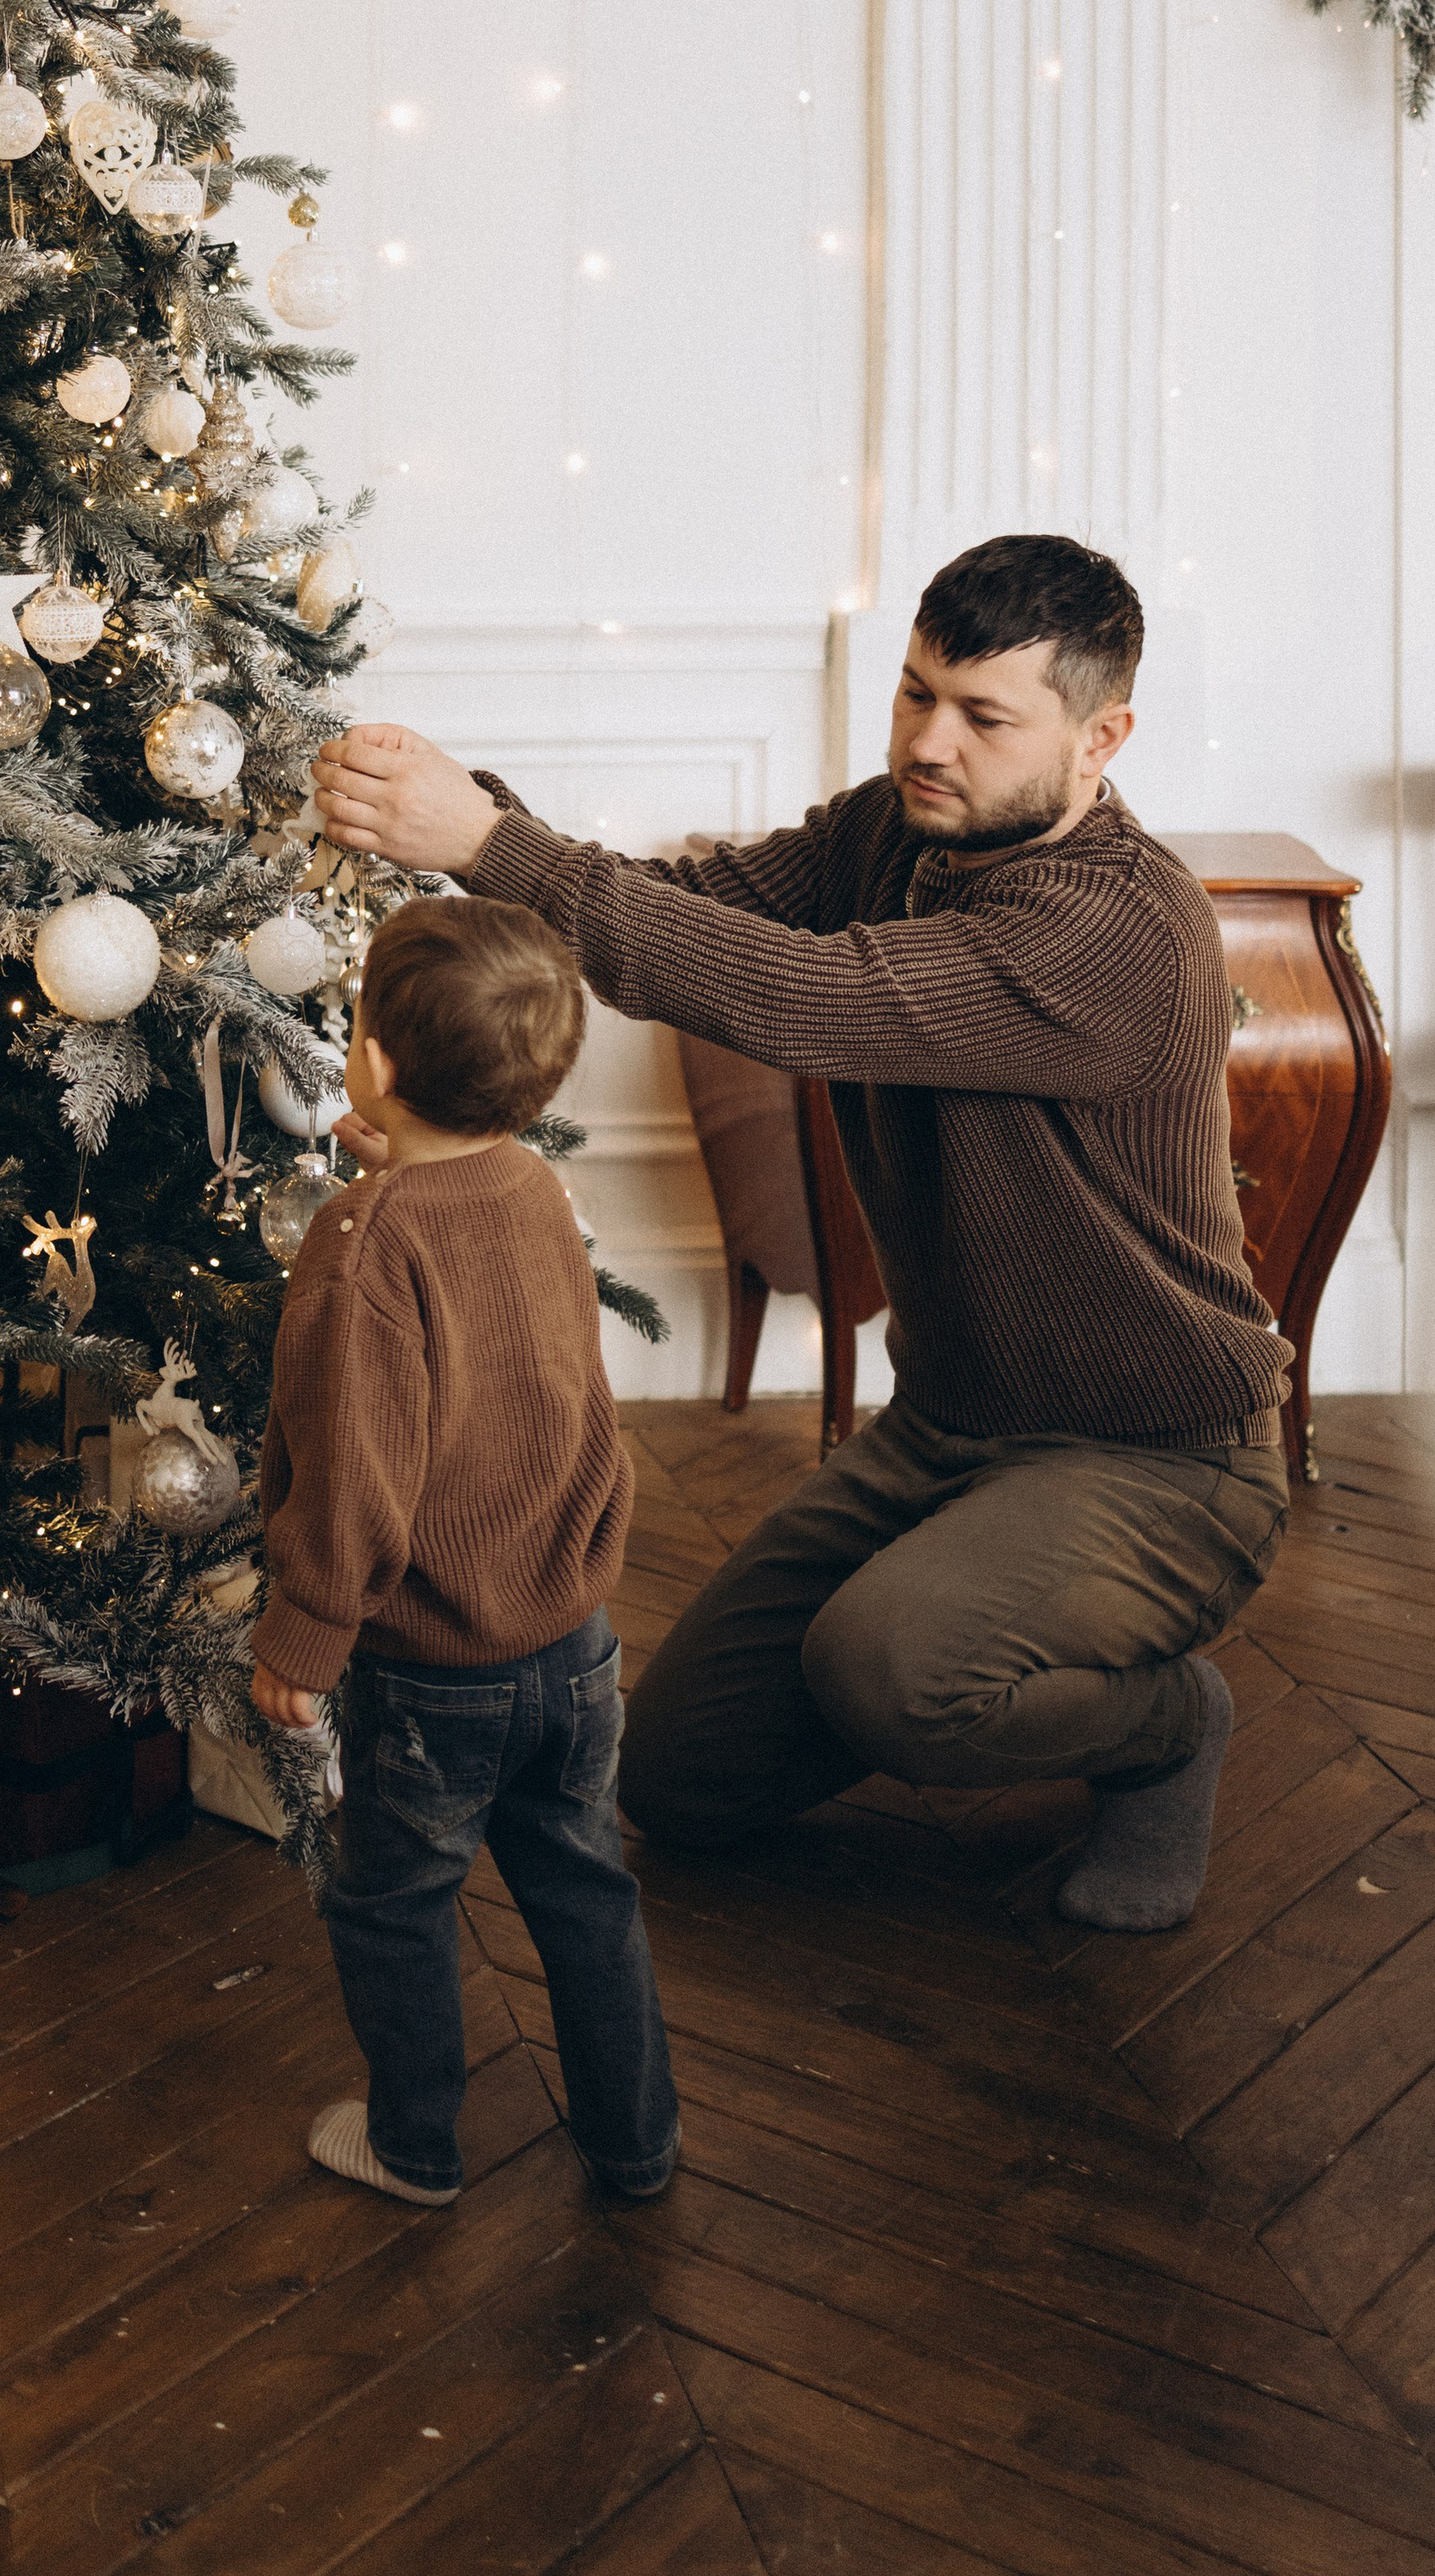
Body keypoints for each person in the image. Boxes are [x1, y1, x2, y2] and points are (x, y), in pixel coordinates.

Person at [310, 535, 1291, 1935]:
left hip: (1159, 1459)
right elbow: (693, 912)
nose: (928, 741)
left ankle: (1166, 1724)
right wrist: (488, 821)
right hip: (947, 1429)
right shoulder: (892, 833)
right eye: (914, 693)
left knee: (892, 1671)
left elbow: (802, 998)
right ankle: (948, 1620)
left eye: (983, 716)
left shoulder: (1120, 928)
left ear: (1101, 737)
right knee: (679, 1774)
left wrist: (481, 839)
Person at [249, 895, 680, 2206]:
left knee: (391, 1899)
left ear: (373, 1061)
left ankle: (417, 2141)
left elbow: (355, 1472)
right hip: (574, 1639)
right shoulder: (535, 1187)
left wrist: (303, 1636)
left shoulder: (364, 1241)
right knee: (584, 1886)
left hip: (438, 1666)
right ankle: (635, 2138)